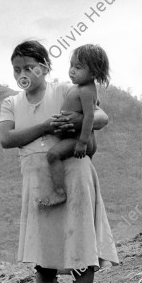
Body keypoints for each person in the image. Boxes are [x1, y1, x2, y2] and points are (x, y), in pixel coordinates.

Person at [0, 40, 119, 283]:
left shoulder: (65, 90)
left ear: (44, 67)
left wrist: (76, 120)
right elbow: (6, 138)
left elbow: (100, 117)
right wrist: (46, 127)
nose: (22, 73)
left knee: (80, 246)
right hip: (38, 180)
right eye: (17, 69)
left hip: (74, 174)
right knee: (44, 254)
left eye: (29, 67)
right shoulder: (11, 103)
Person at [39, 44, 110, 207]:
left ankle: (59, 193)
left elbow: (90, 116)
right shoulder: (81, 88)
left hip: (80, 138)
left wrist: (82, 142)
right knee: (83, 178)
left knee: (53, 155)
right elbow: (93, 105)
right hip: (81, 138)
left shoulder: (86, 90)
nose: (72, 70)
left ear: (93, 72)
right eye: (71, 65)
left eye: (78, 67)